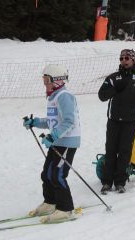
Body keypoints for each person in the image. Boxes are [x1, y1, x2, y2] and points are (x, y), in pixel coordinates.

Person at [23, 64, 81, 223]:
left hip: (67, 141)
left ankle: (66, 209)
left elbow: (69, 121)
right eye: (43, 80)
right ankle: (50, 202)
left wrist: (53, 136)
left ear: (57, 80)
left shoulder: (64, 96)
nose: (45, 83)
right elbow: (52, 122)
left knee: (58, 175)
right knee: (46, 173)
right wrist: (34, 122)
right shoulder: (53, 96)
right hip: (57, 140)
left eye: (47, 80)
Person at [98, 49, 135, 194]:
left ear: (133, 59)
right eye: (121, 58)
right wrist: (115, 89)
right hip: (114, 121)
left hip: (131, 122)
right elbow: (102, 96)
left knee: (124, 152)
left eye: (127, 57)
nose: (124, 60)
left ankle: (120, 182)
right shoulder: (113, 77)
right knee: (110, 151)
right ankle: (107, 182)